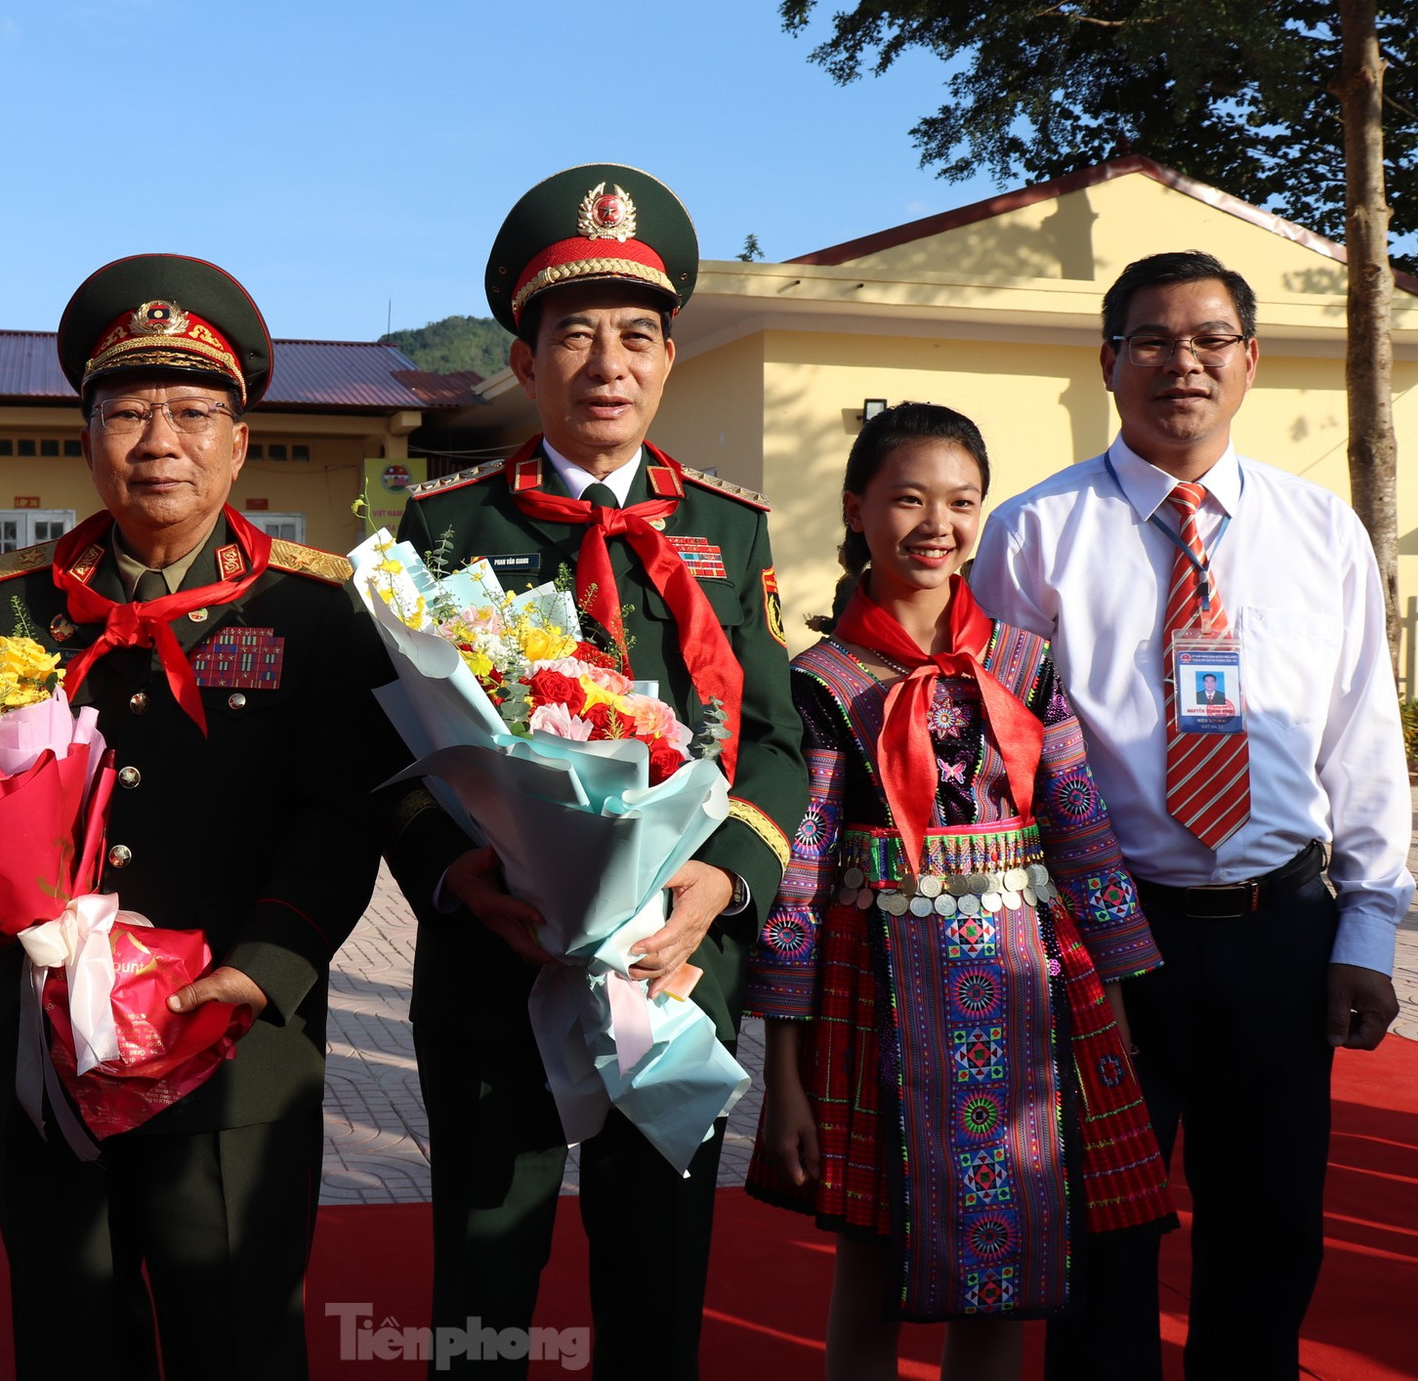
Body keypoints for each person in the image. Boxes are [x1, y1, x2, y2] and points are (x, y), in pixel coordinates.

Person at [385, 164, 810, 1377]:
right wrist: (464, 877)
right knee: (481, 1280)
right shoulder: (449, 527)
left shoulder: (729, 529)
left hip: (672, 965)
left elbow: (776, 739)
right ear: (524, 362)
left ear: (670, 355)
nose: (608, 364)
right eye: (573, 334)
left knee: (656, 1278)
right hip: (493, 958)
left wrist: (721, 889)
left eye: (637, 335)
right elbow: (397, 750)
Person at [971, 249, 1413, 1381]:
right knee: (1101, 1233)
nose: (1185, 363)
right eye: (1154, 340)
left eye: (1211, 339)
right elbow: (992, 755)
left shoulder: (1323, 534)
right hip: (1110, 946)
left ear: (1250, 361)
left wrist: (1368, 931)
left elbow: (1364, 742)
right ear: (1109, 362)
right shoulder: (1032, 535)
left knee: (1271, 1232)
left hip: (1283, 932)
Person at [0, 254, 417, 1380]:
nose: (158, 440)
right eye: (126, 410)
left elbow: (339, 814)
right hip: (52, 1047)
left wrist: (266, 965)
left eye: (189, 411)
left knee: (236, 1341)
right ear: (87, 435)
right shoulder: (22, 606)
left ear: (239, 441)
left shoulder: (312, 611)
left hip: (229, 1044)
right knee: (68, 1339)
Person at [746, 403, 1172, 1381]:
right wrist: (785, 1073)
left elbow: (1082, 831)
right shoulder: (820, 679)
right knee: (866, 1258)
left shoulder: (1026, 662)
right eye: (908, 498)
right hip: (872, 1001)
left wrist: (1118, 997)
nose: (937, 523)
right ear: (856, 510)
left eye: (962, 501)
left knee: (1014, 1258)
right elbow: (800, 882)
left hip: (1029, 994)